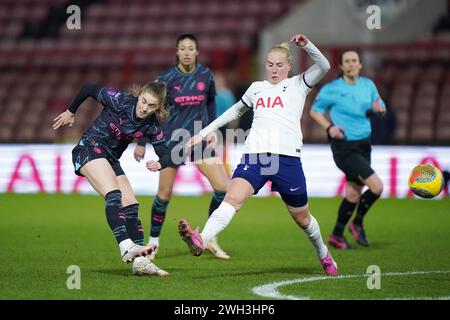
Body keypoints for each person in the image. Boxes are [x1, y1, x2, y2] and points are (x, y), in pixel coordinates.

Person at [178, 34, 338, 276]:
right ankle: (201, 239)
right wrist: (205, 132)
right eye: (270, 64)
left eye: (280, 65)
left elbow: (325, 66)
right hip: (255, 157)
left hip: (287, 160)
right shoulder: (257, 88)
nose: (274, 70)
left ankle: (324, 254)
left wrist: (308, 46)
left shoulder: (299, 84)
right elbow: (234, 111)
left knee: (303, 219)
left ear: (289, 66)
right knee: (232, 199)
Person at [52, 81, 170, 276]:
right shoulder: (119, 100)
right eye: (143, 101)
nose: (144, 108)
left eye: (151, 106)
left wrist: (160, 163)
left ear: (159, 108)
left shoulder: (151, 125)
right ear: (139, 95)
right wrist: (70, 111)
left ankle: (140, 262)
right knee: (113, 193)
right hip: (89, 148)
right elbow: (88, 88)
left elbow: (164, 152)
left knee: (131, 204)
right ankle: (126, 246)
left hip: (110, 159)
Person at [133, 34, 230, 260]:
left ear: (197, 52)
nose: (187, 52)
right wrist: (141, 142)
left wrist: (213, 129)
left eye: (191, 48)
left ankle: (208, 237)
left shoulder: (206, 76)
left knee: (223, 188)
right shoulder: (165, 79)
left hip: (199, 140)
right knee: (164, 195)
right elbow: (151, 111)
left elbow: (211, 102)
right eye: (183, 48)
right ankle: (153, 243)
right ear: (177, 52)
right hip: (171, 141)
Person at [309, 50, 386, 249]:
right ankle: (357, 222)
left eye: (354, 61)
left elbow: (379, 104)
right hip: (344, 147)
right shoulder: (332, 89)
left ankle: (336, 235)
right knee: (377, 187)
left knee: (353, 194)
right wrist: (330, 127)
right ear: (342, 66)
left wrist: (381, 109)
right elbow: (314, 111)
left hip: (364, 144)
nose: (351, 64)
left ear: (360, 65)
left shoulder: (368, 85)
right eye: (347, 62)